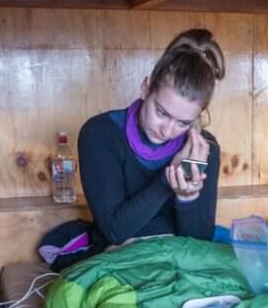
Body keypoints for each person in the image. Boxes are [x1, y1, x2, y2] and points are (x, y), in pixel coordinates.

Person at [78, 29, 224, 246]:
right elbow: (114, 232)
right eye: (161, 113)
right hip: (118, 259)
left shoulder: (203, 149)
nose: (167, 130)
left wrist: (187, 197)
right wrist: (168, 180)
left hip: (179, 260)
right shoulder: (101, 133)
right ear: (146, 88)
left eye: (183, 123)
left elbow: (200, 242)